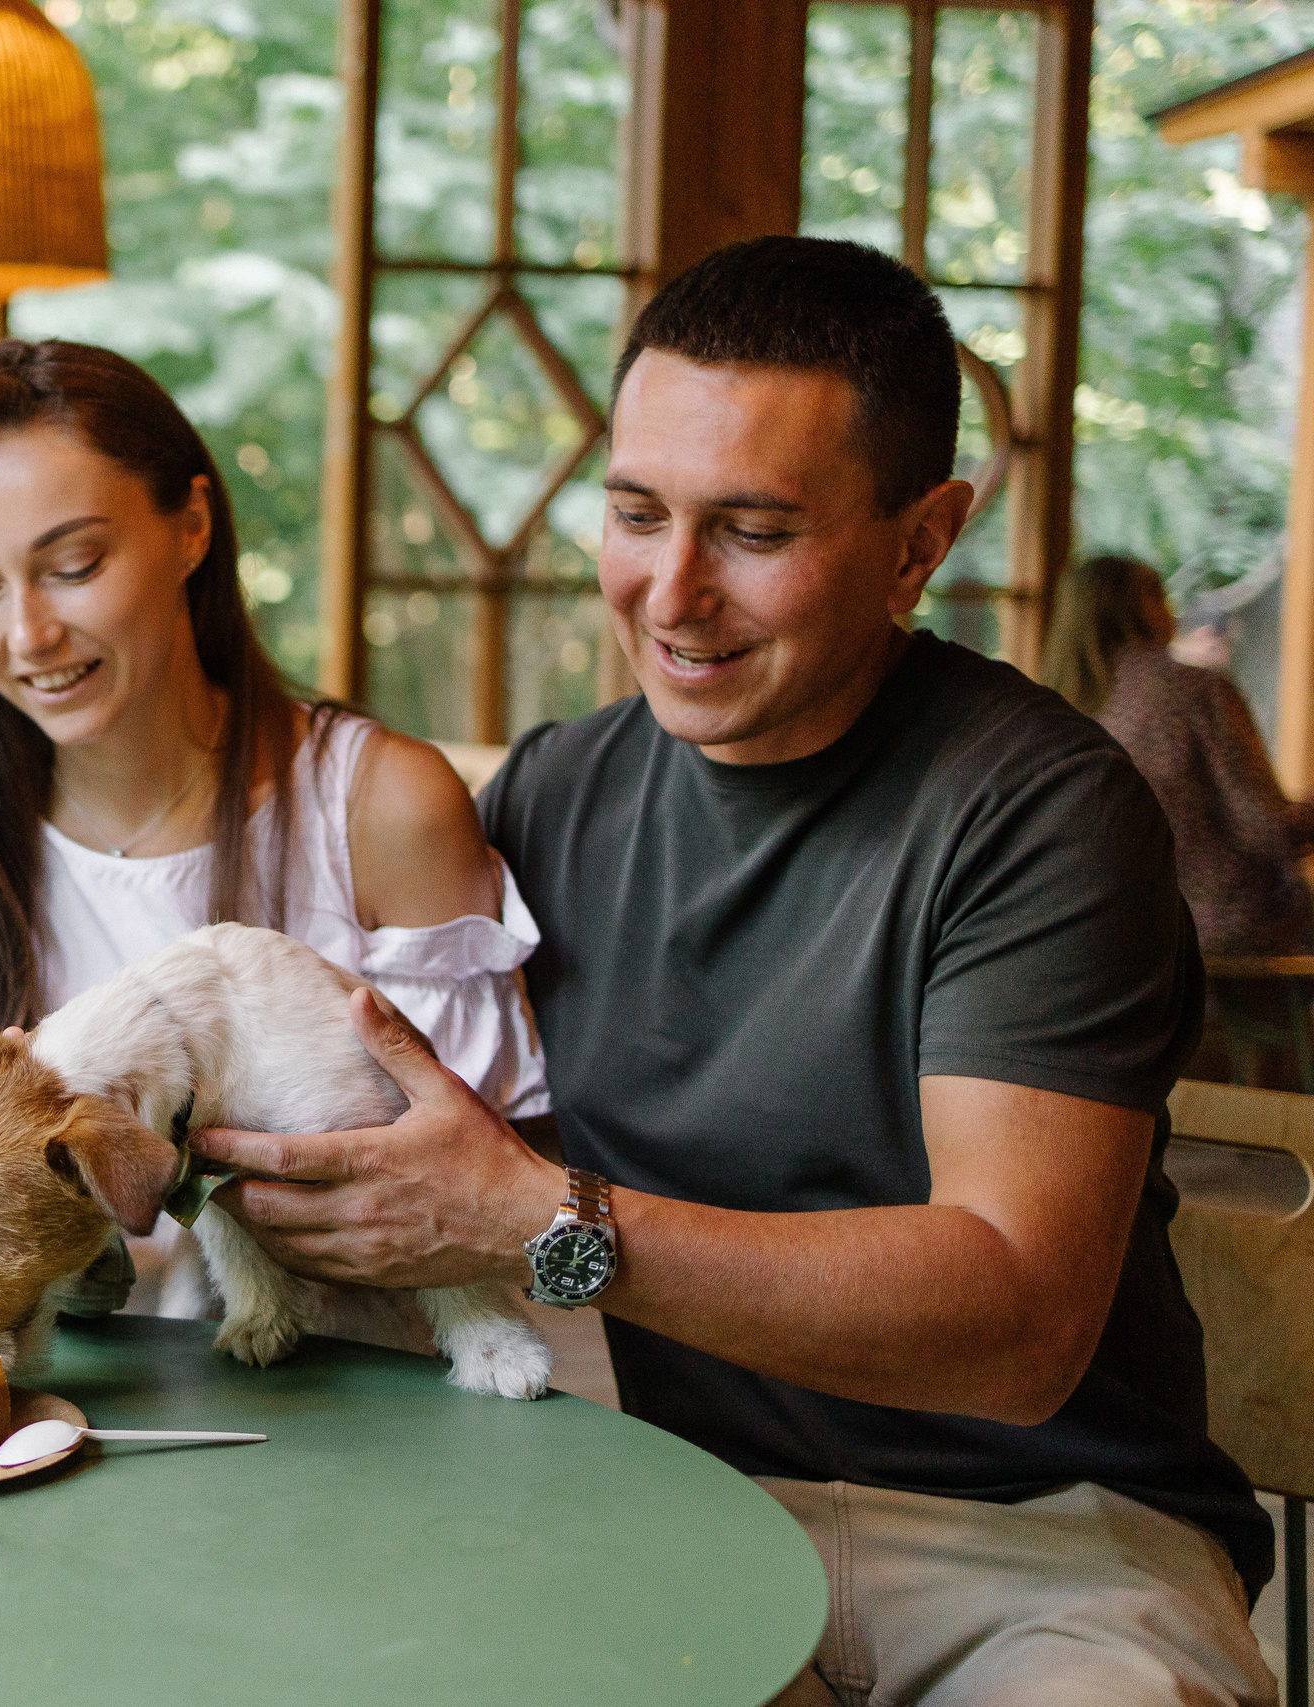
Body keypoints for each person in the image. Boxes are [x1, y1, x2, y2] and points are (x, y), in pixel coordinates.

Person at [192, 238, 1275, 1706]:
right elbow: (367, 1111)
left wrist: (539, 1218)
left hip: (1047, 1545)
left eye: (754, 530)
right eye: (637, 511)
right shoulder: (551, 796)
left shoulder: (1040, 808)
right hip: (671, 1506)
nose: (672, 591)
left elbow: (1017, 1325)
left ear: (920, 538)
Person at [0, 338, 545, 1316]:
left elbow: (489, 1203)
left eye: (74, 564)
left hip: (368, 1398)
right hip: (68, 1413)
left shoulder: (374, 808)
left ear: (191, 527)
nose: (27, 634)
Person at [1044, 552, 1314, 955]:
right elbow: (1268, 830)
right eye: (1161, 595)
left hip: (1102, 941)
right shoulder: (1194, 691)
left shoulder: (1054, 710)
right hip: (1229, 941)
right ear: (1141, 607)